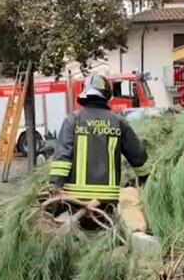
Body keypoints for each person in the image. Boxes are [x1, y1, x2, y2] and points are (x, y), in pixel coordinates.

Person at [49, 75, 152, 223]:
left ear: (85, 95)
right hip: (106, 200)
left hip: (74, 200)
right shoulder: (118, 122)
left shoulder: (72, 120)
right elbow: (138, 157)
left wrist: (56, 185)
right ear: (107, 96)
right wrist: (146, 179)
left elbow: (62, 158)